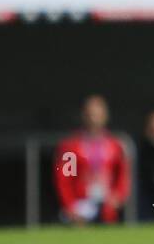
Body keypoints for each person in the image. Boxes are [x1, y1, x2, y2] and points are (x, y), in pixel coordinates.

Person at [53, 95, 131, 225]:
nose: (94, 119)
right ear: (84, 116)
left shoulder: (115, 146)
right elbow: (64, 181)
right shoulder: (72, 147)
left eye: (98, 115)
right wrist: (70, 206)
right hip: (81, 206)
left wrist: (118, 196)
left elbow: (123, 176)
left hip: (107, 206)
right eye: (90, 115)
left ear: (105, 116)